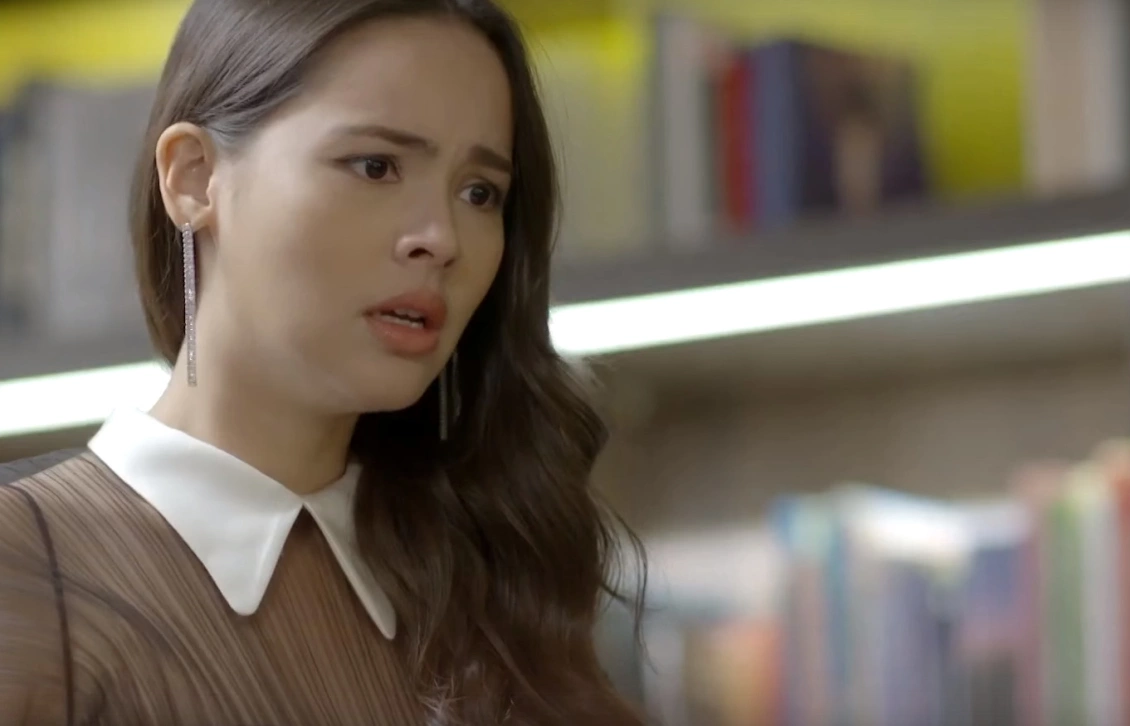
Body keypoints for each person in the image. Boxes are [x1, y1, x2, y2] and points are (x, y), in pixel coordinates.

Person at [0, 0, 646, 723]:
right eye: (376, 166)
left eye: (479, 192)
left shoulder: (495, 590)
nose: (442, 237)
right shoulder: (26, 570)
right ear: (193, 178)